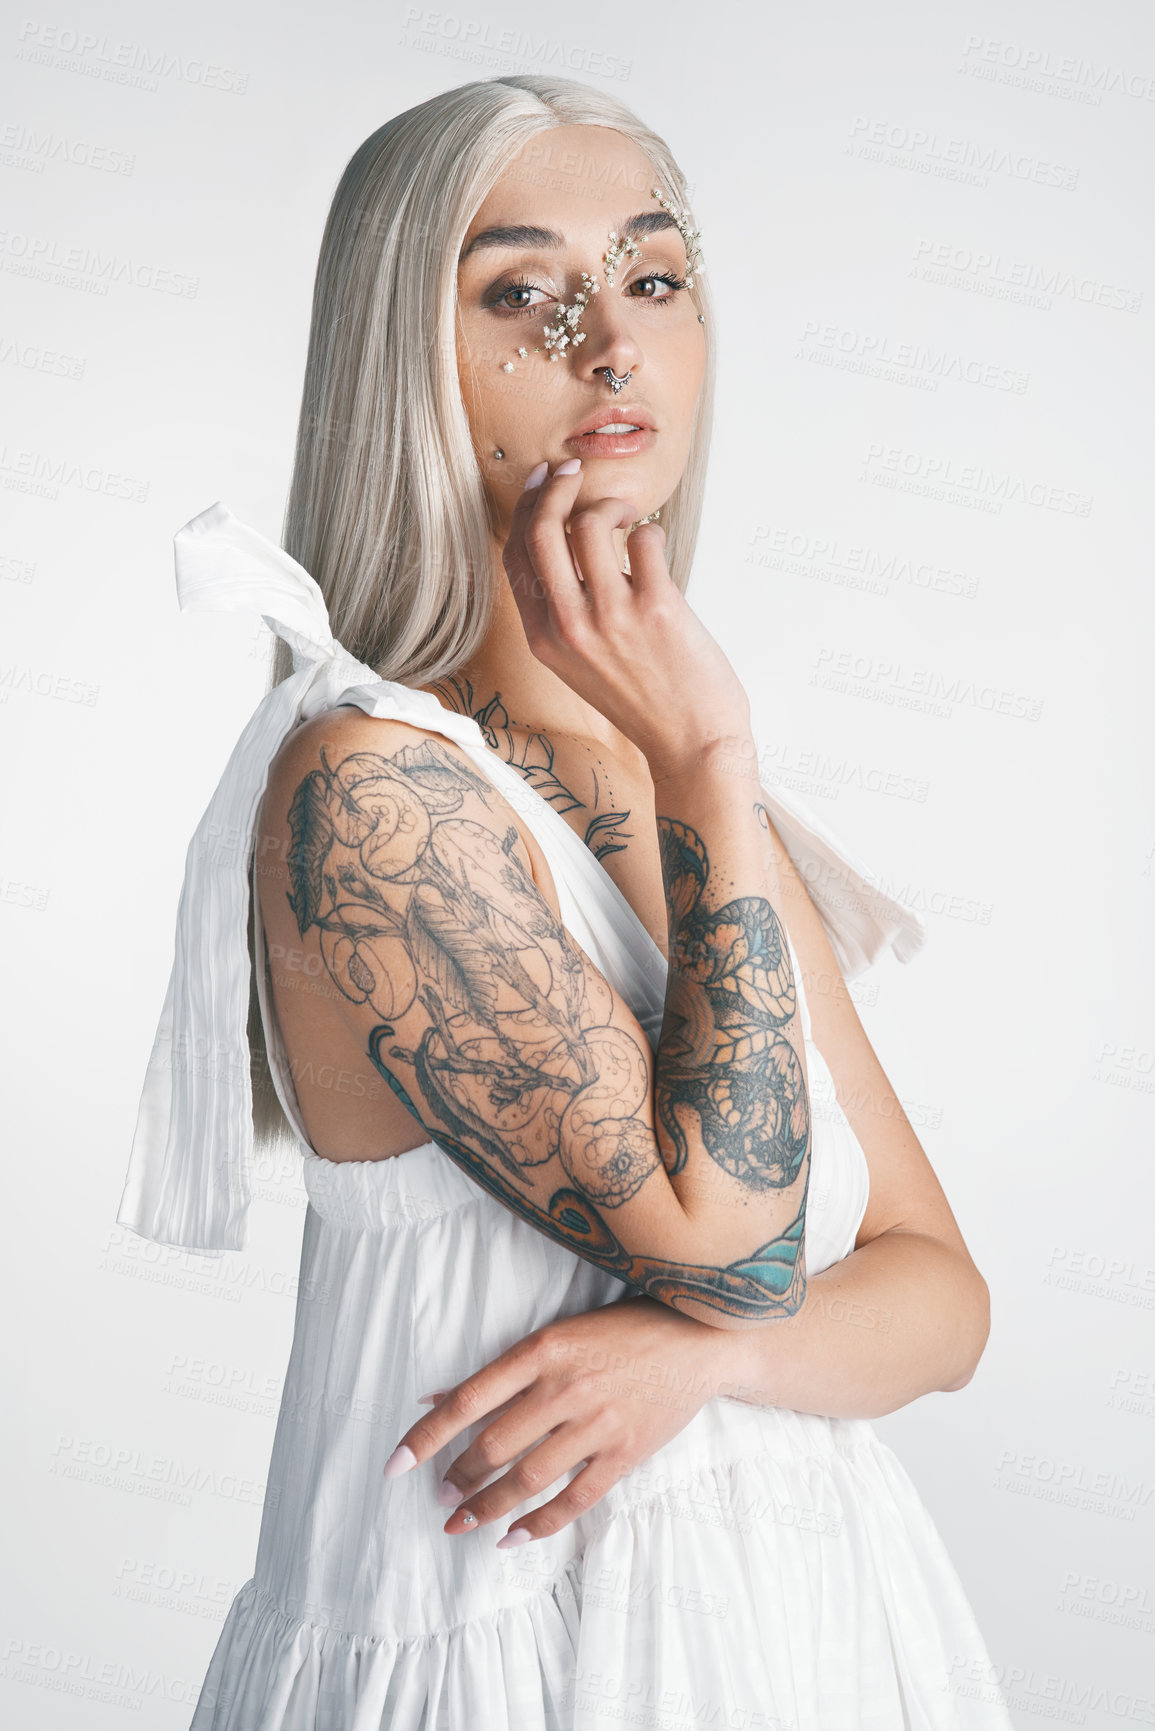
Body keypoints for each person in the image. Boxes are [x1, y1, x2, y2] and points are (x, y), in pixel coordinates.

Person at [117, 75, 1016, 1730]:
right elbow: (732, 1246)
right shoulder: (369, 784)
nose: (611, 343)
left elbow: (940, 1294)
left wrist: (712, 1366)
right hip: (510, 1650)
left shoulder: (675, 785)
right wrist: (713, 757)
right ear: (410, 362)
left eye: (653, 279)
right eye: (523, 293)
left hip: (801, 1638)